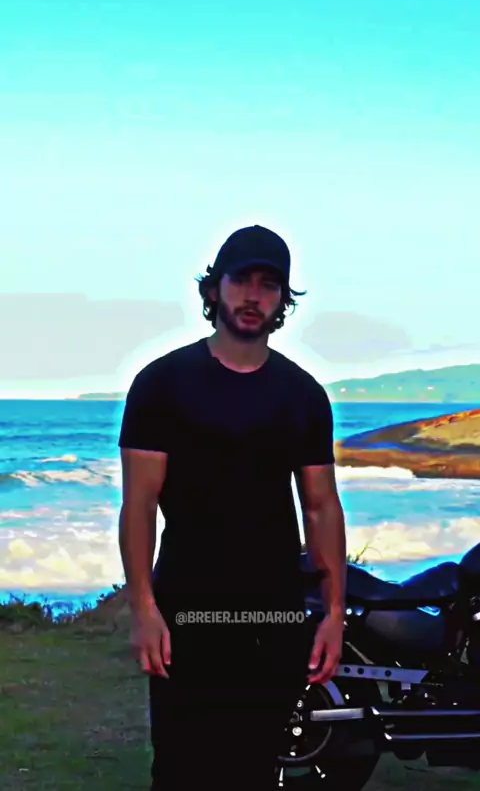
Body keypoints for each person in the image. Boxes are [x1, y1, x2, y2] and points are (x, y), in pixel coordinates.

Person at [117, 224, 347, 791]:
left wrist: (333, 613)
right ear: (214, 288)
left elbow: (321, 507)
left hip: (275, 614)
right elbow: (140, 505)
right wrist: (144, 608)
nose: (254, 295)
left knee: (256, 767)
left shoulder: (302, 394)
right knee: (181, 768)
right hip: (187, 610)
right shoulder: (161, 384)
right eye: (242, 279)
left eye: (269, 285)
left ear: (283, 300)